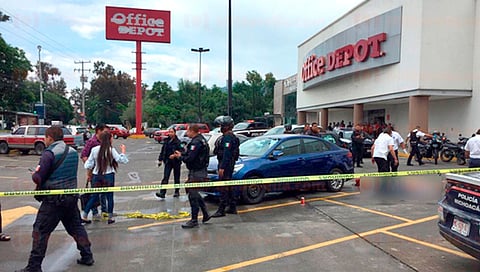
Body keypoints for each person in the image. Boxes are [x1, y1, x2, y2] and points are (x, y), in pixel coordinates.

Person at [17, 126, 94, 271]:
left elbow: (38, 178)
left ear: (50, 138)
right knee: (76, 227)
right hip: (71, 197)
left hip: (53, 200)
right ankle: (87, 255)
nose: (44, 141)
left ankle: (34, 267)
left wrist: (35, 173)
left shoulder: (49, 153)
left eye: (45, 138)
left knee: (40, 231)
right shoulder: (71, 151)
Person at [83, 131, 128, 224]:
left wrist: (89, 173)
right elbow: (121, 160)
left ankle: (85, 215)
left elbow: (88, 164)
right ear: (109, 139)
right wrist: (123, 151)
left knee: (94, 196)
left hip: (96, 175)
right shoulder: (111, 150)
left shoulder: (94, 150)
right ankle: (110, 217)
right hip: (108, 175)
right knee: (109, 197)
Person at [174, 124, 211, 228]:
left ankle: (194, 220)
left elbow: (190, 158)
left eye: (187, 131)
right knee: (193, 192)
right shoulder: (201, 139)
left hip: (197, 171)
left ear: (192, 131)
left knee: (192, 195)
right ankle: (205, 213)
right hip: (199, 170)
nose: (186, 133)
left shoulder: (196, 142)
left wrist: (180, 157)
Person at [212, 116, 240, 217]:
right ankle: (232, 206)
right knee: (228, 186)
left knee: (223, 187)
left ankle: (221, 209)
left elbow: (227, 154)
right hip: (227, 163)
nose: (220, 127)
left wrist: (222, 167)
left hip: (226, 165)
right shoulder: (226, 137)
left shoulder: (228, 137)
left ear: (226, 126)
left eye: (221, 126)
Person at [80, 123, 109, 220]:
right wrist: (89, 169)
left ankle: (104, 212)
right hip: (94, 172)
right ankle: (94, 212)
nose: (107, 134)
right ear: (98, 131)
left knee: (104, 193)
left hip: (105, 172)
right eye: (105, 132)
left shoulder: (105, 142)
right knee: (95, 194)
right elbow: (84, 155)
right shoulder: (92, 142)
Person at [155, 128, 183, 199]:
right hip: (167, 162)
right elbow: (163, 150)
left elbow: (182, 151)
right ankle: (162, 192)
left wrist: (174, 156)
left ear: (175, 133)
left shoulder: (178, 142)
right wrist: (160, 160)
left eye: (172, 132)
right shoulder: (166, 141)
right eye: (169, 132)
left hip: (176, 162)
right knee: (165, 177)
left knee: (176, 177)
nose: (170, 133)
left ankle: (177, 191)